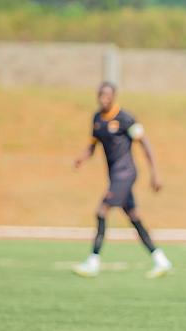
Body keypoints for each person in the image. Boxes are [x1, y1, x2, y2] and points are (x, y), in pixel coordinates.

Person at [73, 82, 172, 278]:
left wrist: (155, 173)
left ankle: (93, 262)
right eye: (101, 94)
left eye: (107, 95)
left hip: (126, 174)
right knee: (134, 217)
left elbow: (145, 143)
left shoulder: (126, 118)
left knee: (101, 211)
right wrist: (81, 158)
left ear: (114, 96)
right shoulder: (97, 119)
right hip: (114, 176)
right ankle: (161, 260)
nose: (104, 98)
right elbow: (92, 145)